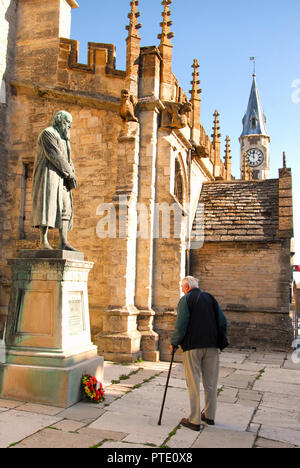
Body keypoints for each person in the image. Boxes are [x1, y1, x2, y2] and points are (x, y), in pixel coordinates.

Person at [169, 276, 228, 431]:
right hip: (212, 345)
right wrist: (220, 340)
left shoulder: (185, 300)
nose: (182, 291)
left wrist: (174, 342)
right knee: (211, 383)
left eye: (182, 288)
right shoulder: (210, 298)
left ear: (187, 286)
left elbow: (181, 325)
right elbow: (223, 322)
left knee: (193, 382)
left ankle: (194, 420)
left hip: (193, 347)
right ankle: (210, 416)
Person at [31, 110, 78, 251]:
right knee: (46, 205)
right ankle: (43, 241)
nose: (69, 126)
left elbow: (67, 159)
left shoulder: (64, 138)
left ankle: (63, 241)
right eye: (67, 122)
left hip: (62, 177)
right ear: (59, 120)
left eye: (70, 123)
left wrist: (72, 173)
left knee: (66, 207)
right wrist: (70, 174)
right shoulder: (48, 133)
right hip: (49, 174)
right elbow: (55, 156)